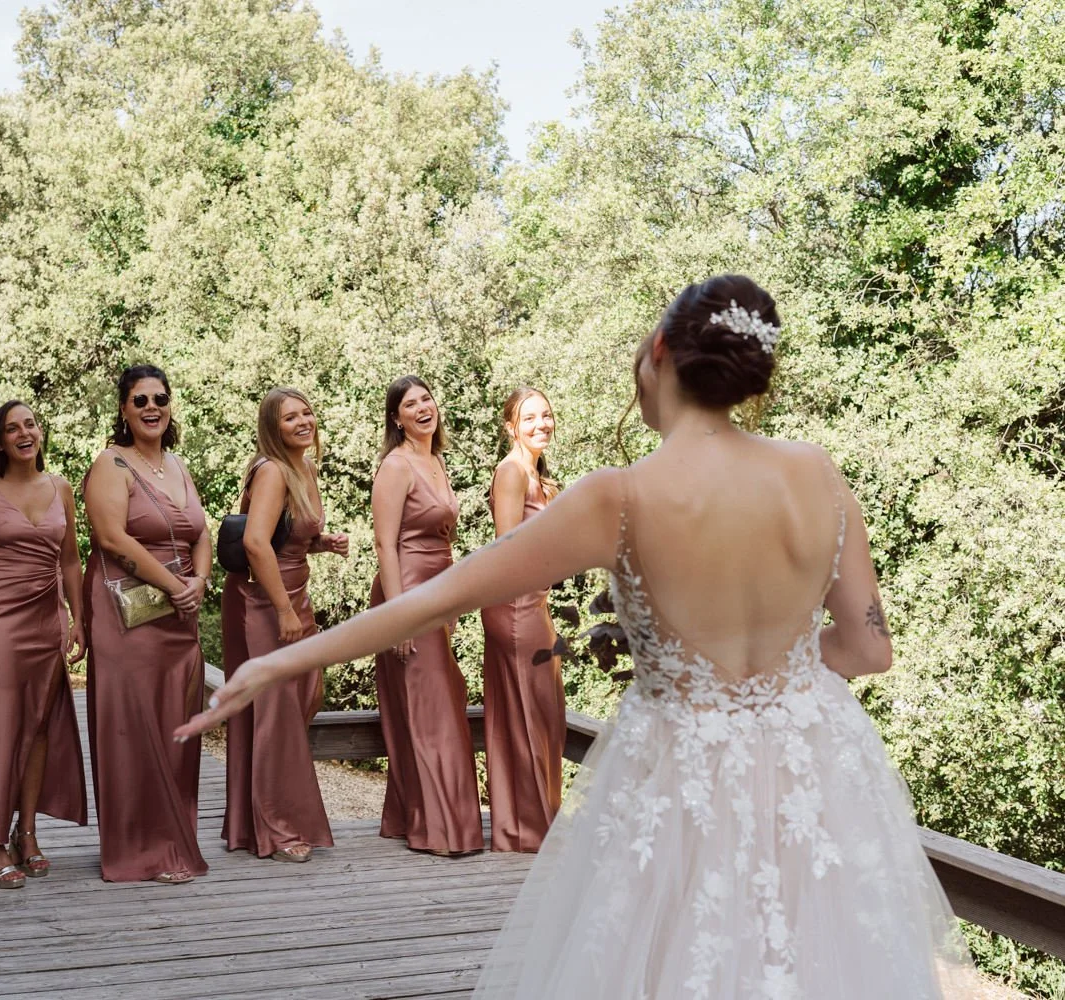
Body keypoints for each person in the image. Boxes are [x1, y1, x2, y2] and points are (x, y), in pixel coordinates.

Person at [177, 276, 975, 997]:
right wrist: (780, 677)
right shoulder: (820, 475)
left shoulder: (621, 495)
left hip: (680, 774)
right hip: (815, 773)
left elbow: (432, 601)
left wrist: (277, 662)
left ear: (658, 353)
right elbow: (871, 649)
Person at [82, 365, 213, 884]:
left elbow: (201, 529)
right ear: (123, 409)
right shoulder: (111, 464)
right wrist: (174, 584)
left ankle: (174, 839)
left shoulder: (178, 465)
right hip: (129, 613)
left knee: (175, 724)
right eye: (140, 400)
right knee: (133, 727)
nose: (151, 407)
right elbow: (113, 538)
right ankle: (140, 849)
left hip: (179, 612)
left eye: (160, 398)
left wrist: (199, 581)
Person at [0, 399, 88, 889]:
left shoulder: (61, 489)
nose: (24, 433)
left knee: (39, 728)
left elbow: (71, 561)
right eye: (12, 428)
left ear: (40, 432)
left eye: (30, 424)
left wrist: (78, 618)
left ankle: (24, 831)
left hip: (47, 619)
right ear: (1, 441)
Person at [221, 387, 348, 863]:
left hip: (294, 595)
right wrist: (282, 610)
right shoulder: (272, 470)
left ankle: (259, 820)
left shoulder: (305, 469)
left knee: (303, 698)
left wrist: (320, 544)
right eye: (290, 417)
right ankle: (276, 829)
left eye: (307, 412)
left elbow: (283, 536)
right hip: (262, 602)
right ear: (273, 428)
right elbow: (255, 544)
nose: (302, 421)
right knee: (275, 713)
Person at [368, 375, 484, 857]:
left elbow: (444, 542)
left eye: (427, 399)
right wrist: (400, 616)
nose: (422, 408)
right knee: (431, 707)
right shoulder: (395, 467)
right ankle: (442, 829)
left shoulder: (435, 460)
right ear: (397, 419)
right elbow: (384, 543)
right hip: (406, 595)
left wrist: (451, 603)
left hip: (438, 593)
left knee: (437, 701)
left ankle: (412, 816)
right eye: (410, 404)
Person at [481, 387, 566, 853]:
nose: (541, 424)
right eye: (530, 417)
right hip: (515, 607)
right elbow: (507, 548)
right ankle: (526, 830)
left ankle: (531, 824)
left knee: (543, 713)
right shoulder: (511, 472)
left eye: (547, 415)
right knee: (528, 713)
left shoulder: (537, 474)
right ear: (511, 426)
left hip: (536, 604)